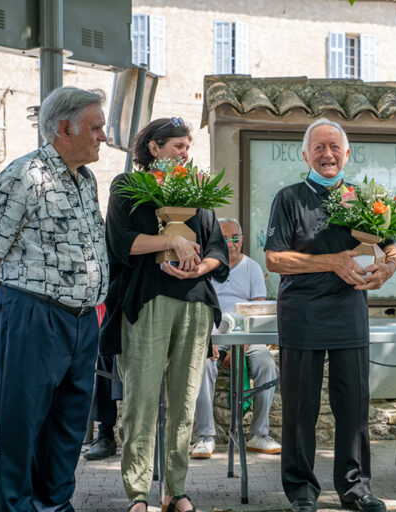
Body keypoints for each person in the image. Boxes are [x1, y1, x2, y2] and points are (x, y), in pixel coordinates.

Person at [0, 86, 110, 511]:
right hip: (34, 315)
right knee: (22, 427)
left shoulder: (85, 180)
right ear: (64, 129)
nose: (103, 136)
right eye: (96, 127)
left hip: (83, 321)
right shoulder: (21, 175)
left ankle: (54, 504)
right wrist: (19, 301)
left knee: (69, 427)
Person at [264, 118, 396, 512]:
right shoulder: (288, 198)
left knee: (353, 407)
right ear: (305, 154)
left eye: (334, 147)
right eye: (319, 147)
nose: (327, 154)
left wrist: (385, 270)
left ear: (347, 153)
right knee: (300, 408)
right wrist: (332, 262)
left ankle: (355, 489)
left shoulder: (365, 199)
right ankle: (302, 491)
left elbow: (391, 250)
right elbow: (274, 260)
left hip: (349, 313)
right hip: (302, 315)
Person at [101, 117, 229, 512]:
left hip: (195, 303)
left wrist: (199, 266)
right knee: (140, 399)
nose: (184, 153)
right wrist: (172, 238)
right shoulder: (127, 186)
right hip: (146, 299)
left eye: (188, 147)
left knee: (185, 401)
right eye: (177, 146)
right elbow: (120, 241)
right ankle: (138, 494)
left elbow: (218, 251)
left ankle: (176, 490)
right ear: (154, 148)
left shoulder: (198, 192)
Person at [191, 217, 281, 459]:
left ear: (242, 240)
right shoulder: (206, 266)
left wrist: (242, 344)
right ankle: (206, 437)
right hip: (211, 335)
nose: (230, 244)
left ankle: (259, 434)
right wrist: (210, 342)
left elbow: (257, 312)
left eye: (235, 238)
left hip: (247, 336)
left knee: (266, 364)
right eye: (224, 238)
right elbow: (200, 307)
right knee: (203, 367)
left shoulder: (251, 267)